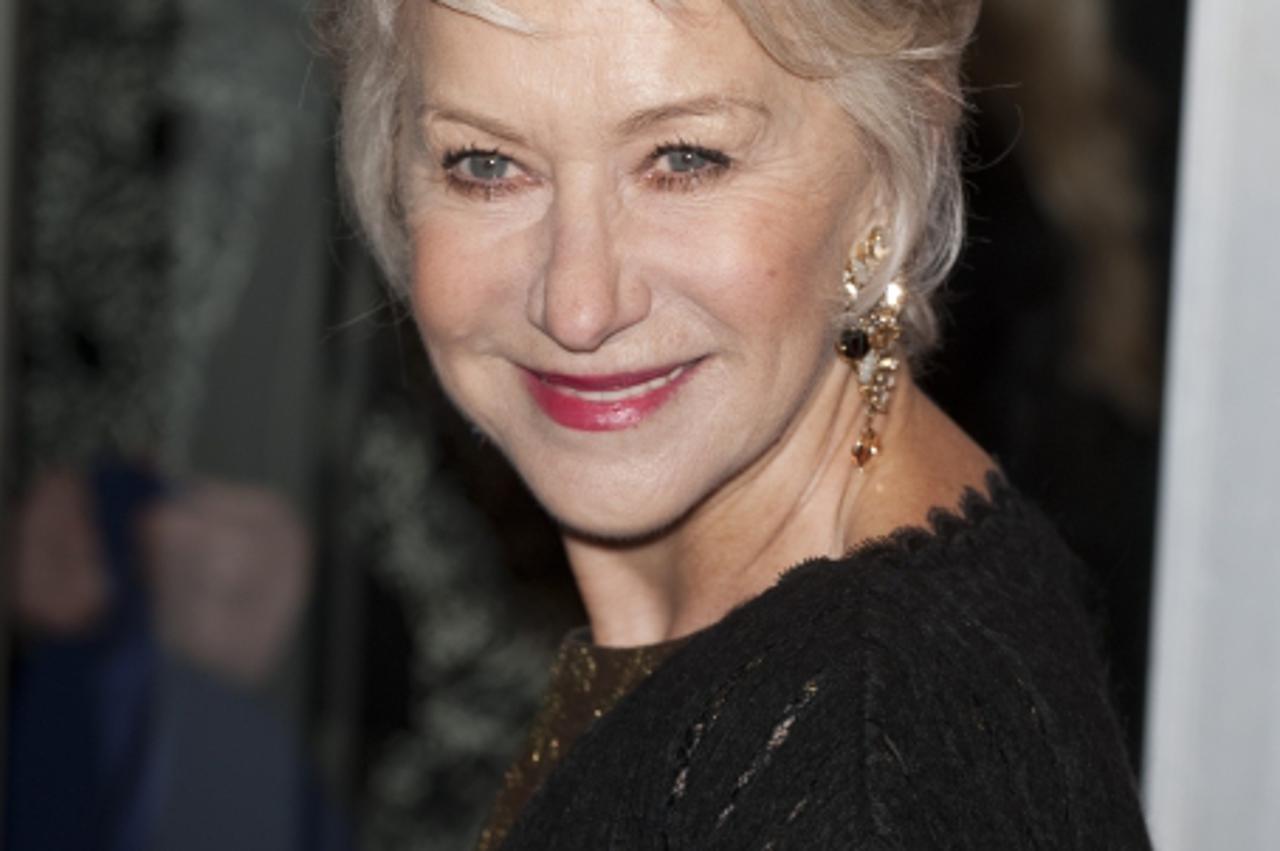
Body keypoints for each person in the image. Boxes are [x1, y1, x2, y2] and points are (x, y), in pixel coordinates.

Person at [318, 0, 1152, 847]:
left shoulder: (853, 761)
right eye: (487, 165)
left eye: (683, 159)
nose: (575, 306)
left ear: (902, 145)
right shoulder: (840, 642)